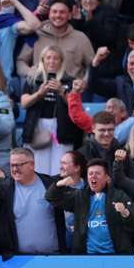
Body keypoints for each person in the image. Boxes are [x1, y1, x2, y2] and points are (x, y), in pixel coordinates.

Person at [0, 147, 67, 258]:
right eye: (12, 165)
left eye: (18, 165)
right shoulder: (4, 189)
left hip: (53, 258)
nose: (14, 169)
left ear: (31, 164)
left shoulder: (50, 184)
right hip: (18, 261)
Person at [46, 158, 134, 254]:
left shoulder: (119, 196)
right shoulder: (80, 196)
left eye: (98, 173)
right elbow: (51, 198)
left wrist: (124, 212)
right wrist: (60, 184)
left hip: (115, 257)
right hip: (87, 258)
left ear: (106, 177)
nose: (93, 176)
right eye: (90, 173)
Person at [20, 45, 82, 175]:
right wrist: (39, 94)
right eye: (48, 58)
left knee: (61, 167)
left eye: (56, 58)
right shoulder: (34, 80)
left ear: (61, 61)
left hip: (62, 127)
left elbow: (75, 105)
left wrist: (62, 91)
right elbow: (24, 103)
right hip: (38, 126)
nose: (52, 61)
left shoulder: (69, 81)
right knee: (38, 168)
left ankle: (59, 194)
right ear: (42, 60)